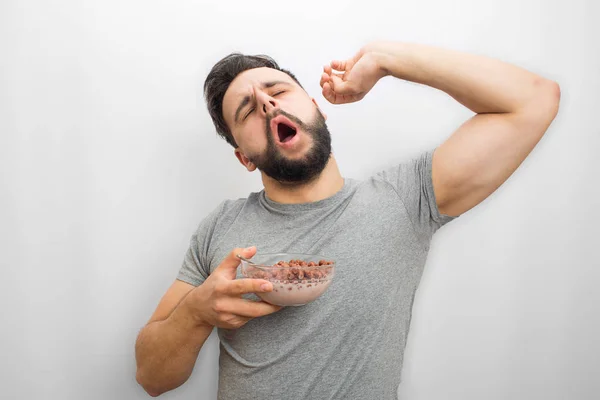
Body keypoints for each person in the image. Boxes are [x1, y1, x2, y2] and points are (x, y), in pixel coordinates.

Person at [135, 41, 560, 399]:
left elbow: (535, 99)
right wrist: (196, 312)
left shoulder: (404, 199)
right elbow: (152, 378)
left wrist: (385, 58)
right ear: (243, 157)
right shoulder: (220, 228)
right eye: (246, 111)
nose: (266, 103)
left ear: (316, 108)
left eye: (277, 90)